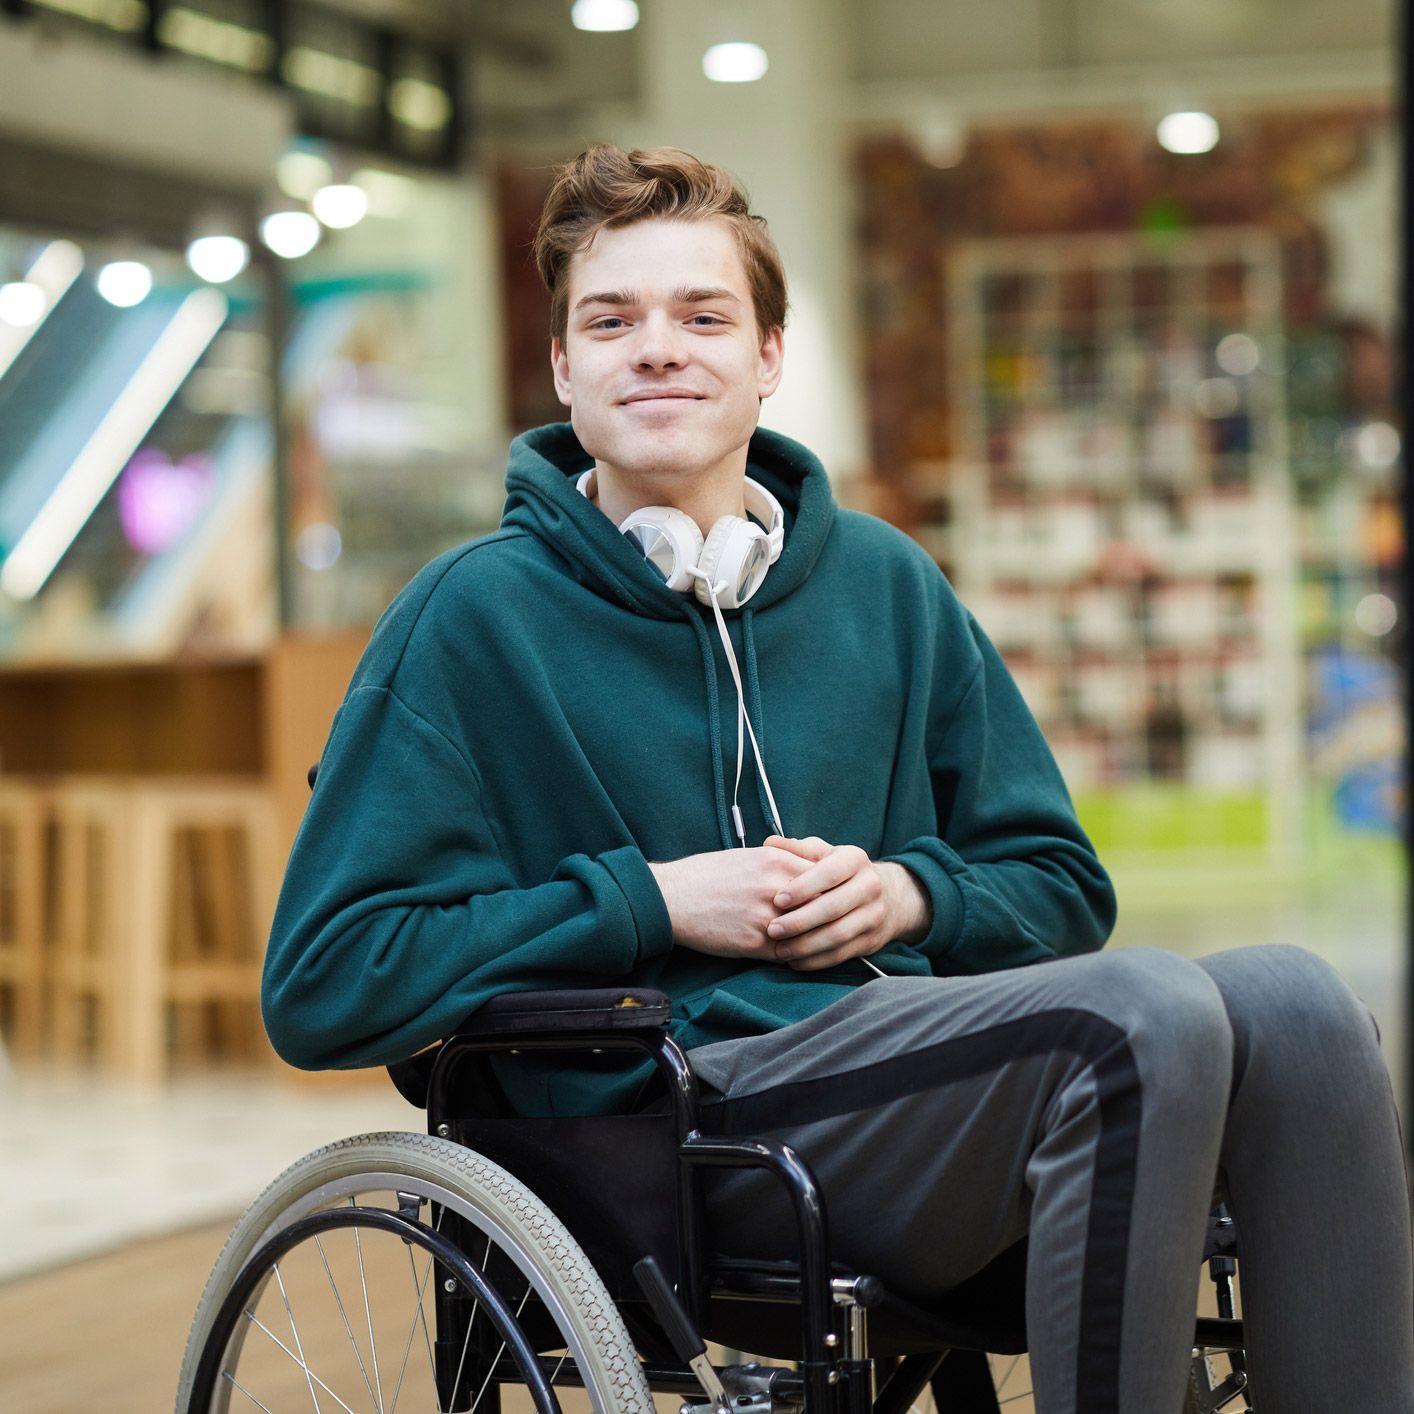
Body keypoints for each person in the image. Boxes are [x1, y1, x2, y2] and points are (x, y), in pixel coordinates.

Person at [261, 144, 1413, 1413]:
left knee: (1300, 1004)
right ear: (562, 370)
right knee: (1136, 1014)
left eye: (703, 315)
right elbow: (324, 982)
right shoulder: (468, 619)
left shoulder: (885, 584)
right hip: (680, 1126)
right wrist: (652, 902)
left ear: (766, 358)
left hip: (913, 1082)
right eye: (611, 320)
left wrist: (910, 901)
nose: (657, 348)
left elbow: (1059, 885)